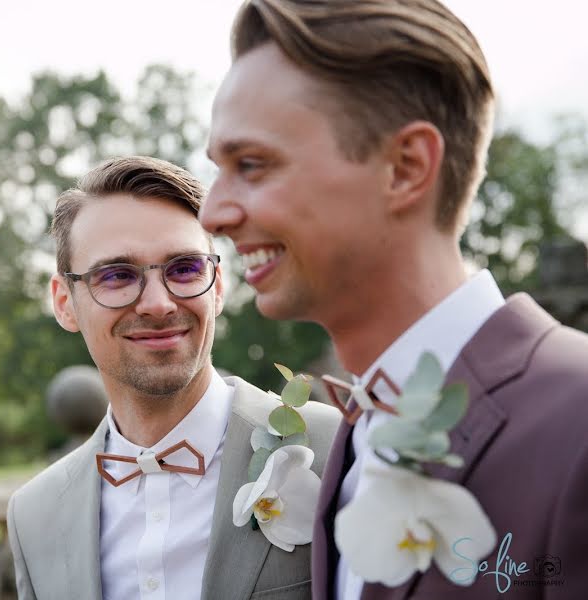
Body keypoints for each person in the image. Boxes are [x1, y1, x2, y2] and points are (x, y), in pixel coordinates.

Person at [200, 1, 588, 599]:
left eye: (251, 164)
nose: (213, 212)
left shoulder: (577, 421)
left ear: (406, 168)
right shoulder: (349, 438)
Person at [6, 156, 341, 600]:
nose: (159, 304)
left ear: (218, 286)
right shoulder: (33, 515)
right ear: (65, 302)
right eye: (117, 275)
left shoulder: (333, 448)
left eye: (184, 269)